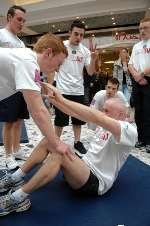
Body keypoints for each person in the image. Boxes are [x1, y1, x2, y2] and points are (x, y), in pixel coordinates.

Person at [0, 83, 137, 216]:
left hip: (96, 181)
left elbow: (95, 116)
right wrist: (55, 100)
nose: (102, 112)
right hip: (83, 168)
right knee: (50, 140)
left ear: (120, 114)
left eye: (106, 111)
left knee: (60, 154)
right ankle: (15, 178)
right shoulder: (104, 123)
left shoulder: (128, 130)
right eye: (103, 109)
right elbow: (76, 113)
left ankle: (16, 199)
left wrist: (63, 99)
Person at [0, 33, 72, 166]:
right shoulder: (28, 61)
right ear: (48, 53)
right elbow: (38, 111)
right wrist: (56, 143)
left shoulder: (29, 58)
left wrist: (46, 88)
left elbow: (36, 82)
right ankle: (9, 154)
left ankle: (14, 152)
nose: (57, 69)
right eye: (58, 63)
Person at [54, 19, 97, 154]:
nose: (79, 37)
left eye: (81, 35)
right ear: (70, 33)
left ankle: (77, 142)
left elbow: (90, 72)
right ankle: (55, 142)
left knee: (78, 119)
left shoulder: (85, 51)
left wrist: (94, 59)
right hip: (62, 89)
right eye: (76, 34)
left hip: (78, 90)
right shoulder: (61, 46)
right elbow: (53, 66)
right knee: (60, 120)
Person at [0, 5, 29, 169]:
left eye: (24, 21)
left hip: (20, 86)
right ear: (9, 17)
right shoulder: (1, 35)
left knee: (18, 121)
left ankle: (17, 150)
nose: (21, 23)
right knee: (9, 123)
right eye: (19, 19)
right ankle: (8, 155)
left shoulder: (20, 42)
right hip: (5, 88)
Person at [128, 17, 150, 153]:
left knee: (149, 112)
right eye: (140, 28)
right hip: (138, 82)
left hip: (148, 81)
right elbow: (130, 64)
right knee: (139, 112)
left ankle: (149, 141)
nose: (142, 30)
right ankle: (141, 139)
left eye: (145, 28)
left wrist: (141, 74)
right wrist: (137, 76)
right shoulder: (136, 46)